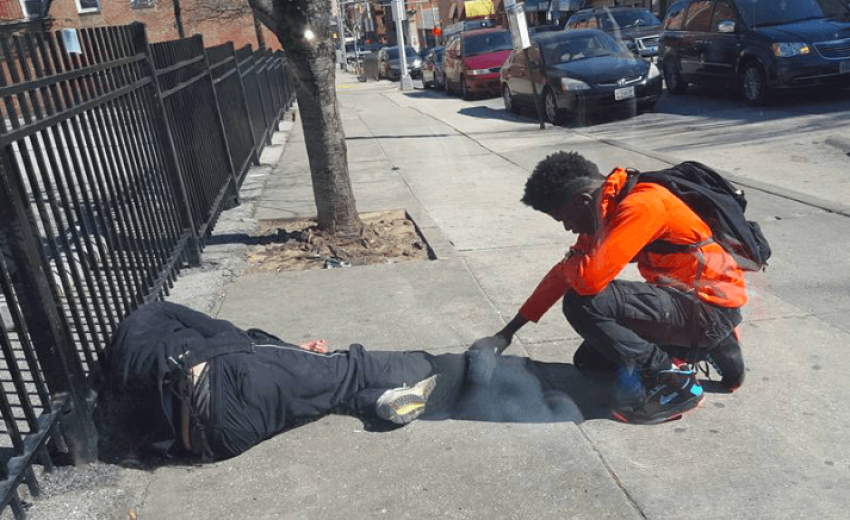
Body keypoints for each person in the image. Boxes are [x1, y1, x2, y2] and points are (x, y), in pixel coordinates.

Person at [97, 301, 579, 462]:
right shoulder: (153, 314)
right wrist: (289, 349)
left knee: (333, 393)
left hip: (216, 441)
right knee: (351, 366)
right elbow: (233, 340)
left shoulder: (119, 385)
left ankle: (382, 402)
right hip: (226, 386)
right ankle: (454, 370)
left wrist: (288, 359)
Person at [472, 151, 747, 424]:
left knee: (584, 303)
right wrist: (506, 333)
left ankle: (677, 383)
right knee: (592, 361)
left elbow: (588, 281)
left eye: (565, 218)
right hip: (702, 302)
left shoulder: (641, 205)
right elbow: (562, 273)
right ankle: (712, 344)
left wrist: (573, 263)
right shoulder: (608, 205)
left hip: (709, 308)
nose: (568, 228)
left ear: (582, 200)